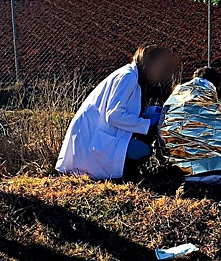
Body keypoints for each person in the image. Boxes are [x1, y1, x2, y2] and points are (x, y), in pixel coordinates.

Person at [57, 44, 175, 180]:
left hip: (97, 135)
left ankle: (125, 171)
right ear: (148, 63)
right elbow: (113, 115)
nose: (160, 71)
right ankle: (124, 176)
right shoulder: (128, 77)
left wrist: (150, 111)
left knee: (141, 145)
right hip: (94, 141)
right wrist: (146, 124)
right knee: (144, 151)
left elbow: (126, 110)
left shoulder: (133, 76)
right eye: (159, 66)